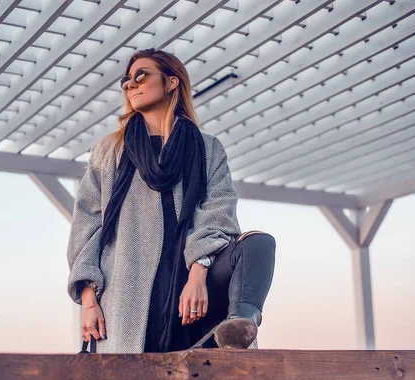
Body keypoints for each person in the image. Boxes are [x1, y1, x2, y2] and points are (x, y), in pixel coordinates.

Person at [67, 48, 276, 354]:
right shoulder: (109, 152)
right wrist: (88, 301)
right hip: (129, 295)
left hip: (191, 291)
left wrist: (198, 270)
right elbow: (87, 226)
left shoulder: (206, 148)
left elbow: (219, 212)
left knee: (259, 244)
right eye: (126, 81)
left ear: (171, 82)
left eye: (141, 75)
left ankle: (240, 325)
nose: (130, 85)